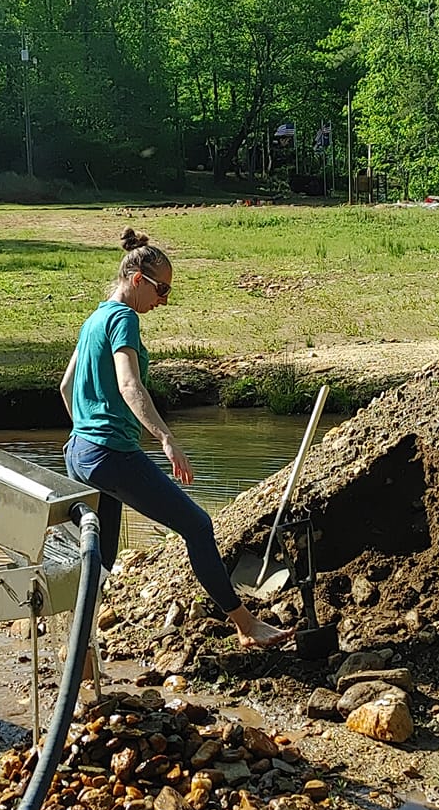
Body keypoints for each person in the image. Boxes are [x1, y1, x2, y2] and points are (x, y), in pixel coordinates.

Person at [60, 228, 292, 650]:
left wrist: (86, 431)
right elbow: (130, 385)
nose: (164, 299)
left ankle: (79, 648)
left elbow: (65, 385)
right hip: (112, 455)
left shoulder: (93, 318)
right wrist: (166, 438)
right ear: (136, 280)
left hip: (79, 453)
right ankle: (246, 626)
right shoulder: (122, 318)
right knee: (198, 526)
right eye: (161, 288)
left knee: (102, 558)